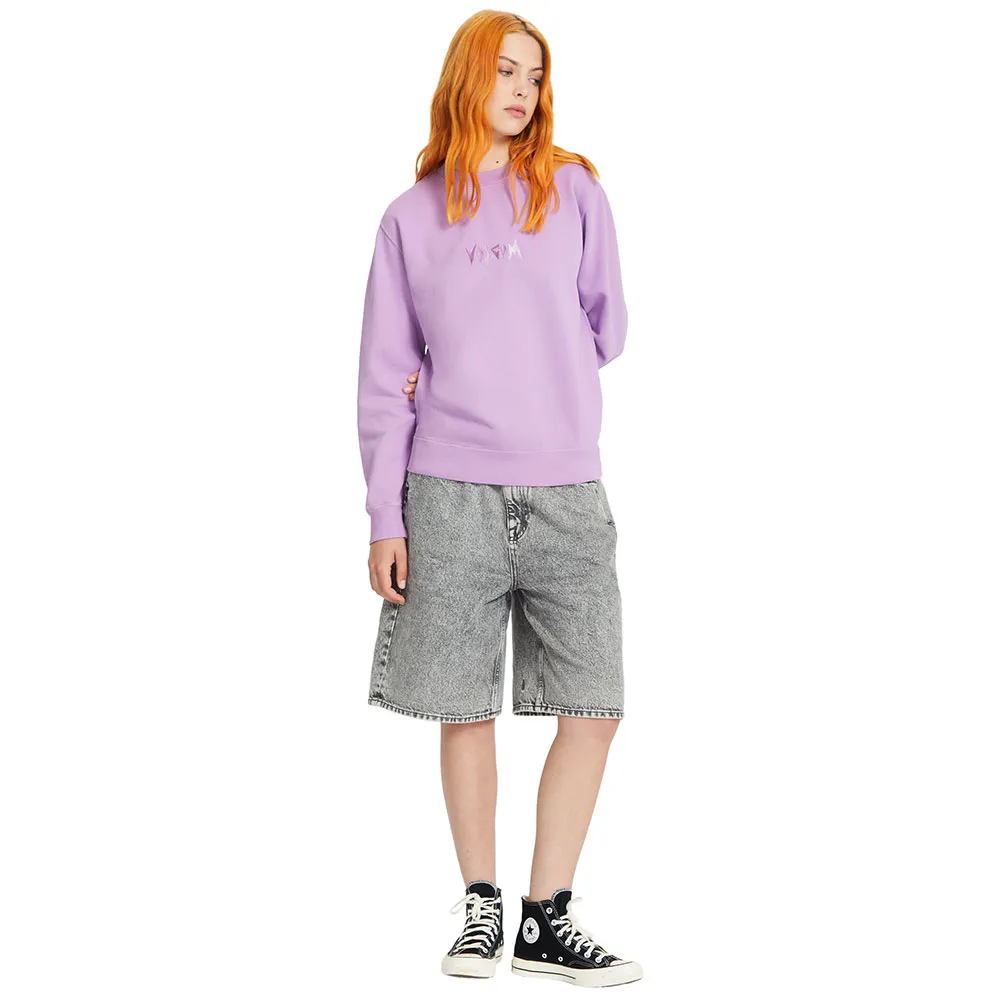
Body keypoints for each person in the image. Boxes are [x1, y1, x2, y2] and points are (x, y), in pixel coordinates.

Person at [356, 11, 641, 988]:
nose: (522, 90)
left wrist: (534, 366)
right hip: (446, 493)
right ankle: (481, 905)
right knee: (462, 704)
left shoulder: (574, 189)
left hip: (568, 489)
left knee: (593, 704)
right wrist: (384, 517)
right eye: (505, 71)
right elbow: (384, 376)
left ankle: (546, 915)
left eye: (535, 74)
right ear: (466, 79)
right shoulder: (410, 217)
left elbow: (608, 326)